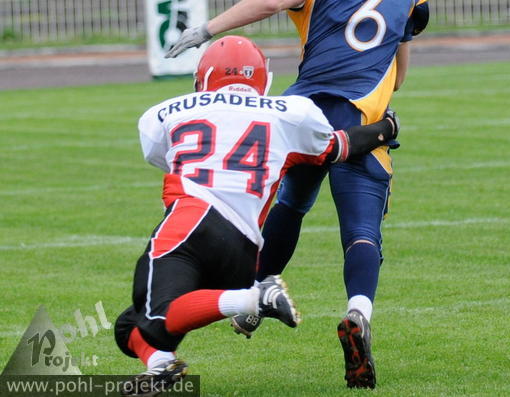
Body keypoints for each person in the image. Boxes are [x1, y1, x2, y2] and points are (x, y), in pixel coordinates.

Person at [164, 0, 428, 388]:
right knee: (362, 229)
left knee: (291, 203)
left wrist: (207, 29)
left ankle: (254, 294)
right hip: (363, 118)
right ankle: (358, 311)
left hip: (302, 114)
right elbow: (400, 76)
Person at [115, 35, 400, 396]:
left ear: (203, 78)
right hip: (244, 250)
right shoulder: (288, 114)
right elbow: (339, 147)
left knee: (157, 313)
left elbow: (165, 156)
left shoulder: (165, 112)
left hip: (191, 221)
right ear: (263, 79)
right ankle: (161, 367)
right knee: (130, 325)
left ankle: (255, 298)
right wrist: (385, 129)